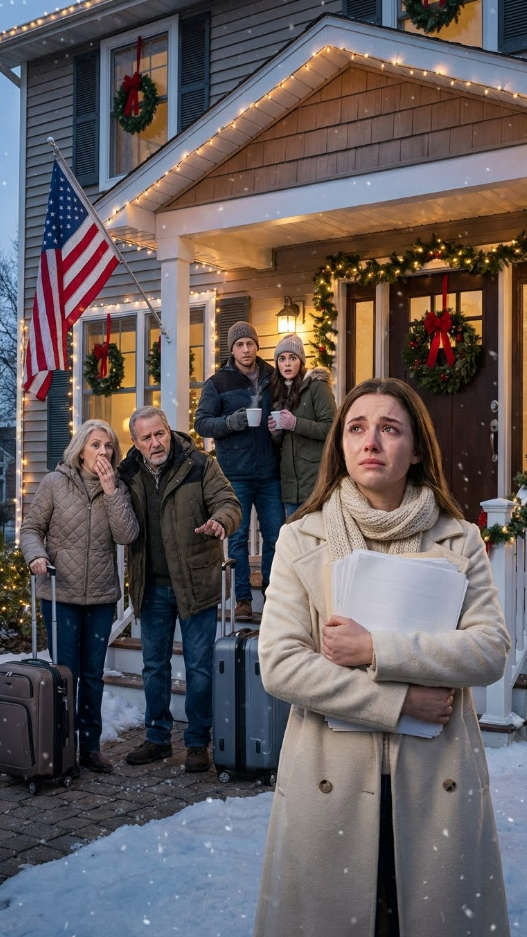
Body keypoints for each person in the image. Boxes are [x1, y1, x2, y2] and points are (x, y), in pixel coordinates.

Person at [254, 378, 511, 937]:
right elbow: (281, 663)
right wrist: (400, 702)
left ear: (416, 449)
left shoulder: (459, 538)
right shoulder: (300, 538)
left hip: (435, 781)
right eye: (356, 428)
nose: (371, 441)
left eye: (390, 429)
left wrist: (375, 648)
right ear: (341, 446)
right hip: (330, 780)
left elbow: (489, 649)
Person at [119, 406, 241, 773]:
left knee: (199, 668)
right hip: (151, 587)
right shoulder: (128, 472)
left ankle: (197, 743)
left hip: (195, 583)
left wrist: (221, 521)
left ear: (169, 430)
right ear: (135, 442)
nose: (155, 442)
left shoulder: (199, 464)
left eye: (159, 433)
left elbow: (228, 502)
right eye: (146, 437)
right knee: (154, 667)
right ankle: (157, 738)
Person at [20, 420, 139, 775]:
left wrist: (111, 490)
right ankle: (62, 749)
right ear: (80, 449)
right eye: (96, 444)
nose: (103, 451)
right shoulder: (54, 483)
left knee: (93, 675)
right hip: (61, 595)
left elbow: (127, 535)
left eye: (108, 446)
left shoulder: (117, 487)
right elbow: (31, 529)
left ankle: (89, 747)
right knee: (65, 676)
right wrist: (36, 555)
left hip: (101, 598)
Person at [194, 321, 282, 621]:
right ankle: (243, 599)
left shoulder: (273, 377)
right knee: (238, 537)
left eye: (250, 344)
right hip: (236, 473)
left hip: (270, 472)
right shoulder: (218, 382)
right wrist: (231, 422)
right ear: (232, 350)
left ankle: (272, 597)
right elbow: (202, 423)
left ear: (257, 346)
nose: (246, 349)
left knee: (276, 536)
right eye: (240, 345)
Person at [268, 333, 336, 516]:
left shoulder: (317, 386)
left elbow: (331, 428)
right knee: (294, 534)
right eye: (282, 359)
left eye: (292, 358)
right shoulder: (279, 392)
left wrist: (295, 423)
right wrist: (276, 432)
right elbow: (284, 441)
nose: (287, 364)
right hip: (291, 486)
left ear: (301, 361)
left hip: (315, 482)